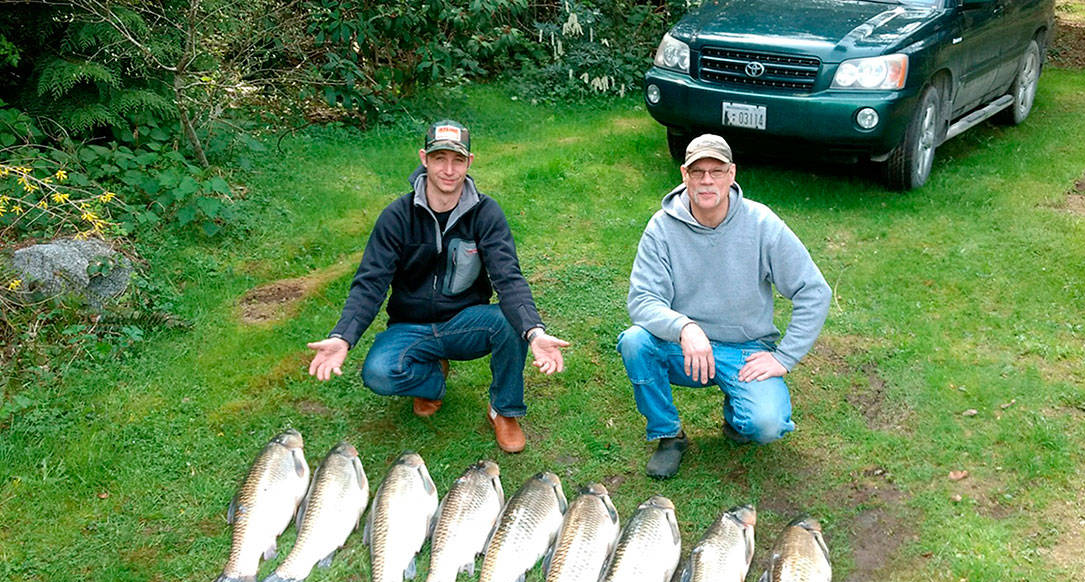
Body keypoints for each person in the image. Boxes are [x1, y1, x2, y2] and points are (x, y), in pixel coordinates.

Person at [306, 120, 569, 453]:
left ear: (469, 163)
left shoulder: (486, 214)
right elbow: (370, 282)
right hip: (409, 324)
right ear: (424, 159)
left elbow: (509, 277)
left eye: (457, 160)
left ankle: (503, 410)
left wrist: (534, 331)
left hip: (465, 323)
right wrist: (343, 335)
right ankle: (431, 382)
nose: (448, 170)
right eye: (439, 158)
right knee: (379, 373)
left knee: (509, 321)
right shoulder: (396, 216)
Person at [618, 134, 831, 478]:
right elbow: (642, 300)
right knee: (635, 342)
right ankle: (669, 435)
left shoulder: (762, 224)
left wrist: (784, 357)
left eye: (716, 171)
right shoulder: (661, 227)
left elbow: (814, 291)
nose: (706, 181)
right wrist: (685, 328)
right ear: (684, 175)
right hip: (683, 348)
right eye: (698, 171)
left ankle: (737, 416)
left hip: (745, 349)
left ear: (732, 174)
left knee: (766, 425)